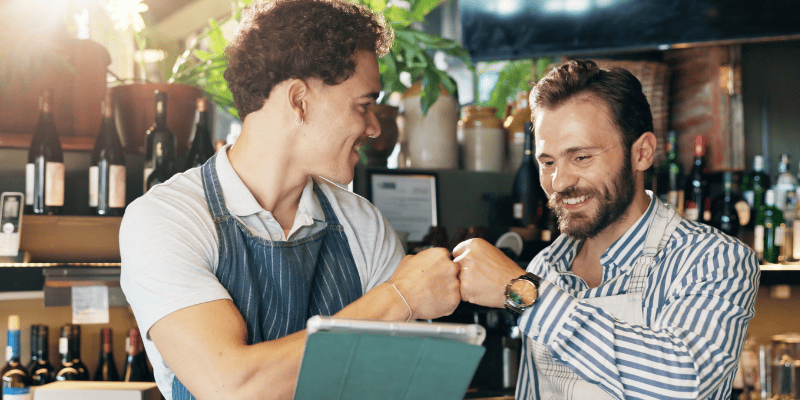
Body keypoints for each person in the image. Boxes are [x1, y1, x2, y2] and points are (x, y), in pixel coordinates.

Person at [118, 1, 461, 399]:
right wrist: (399, 296)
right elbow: (231, 386)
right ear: (299, 101)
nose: (372, 128)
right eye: (364, 106)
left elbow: (399, 384)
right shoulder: (168, 219)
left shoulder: (362, 224)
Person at [454, 60, 759, 399]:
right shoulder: (544, 267)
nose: (560, 182)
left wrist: (525, 295)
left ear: (641, 153)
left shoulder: (713, 260)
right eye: (548, 162)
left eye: (581, 157)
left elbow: (682, 385)